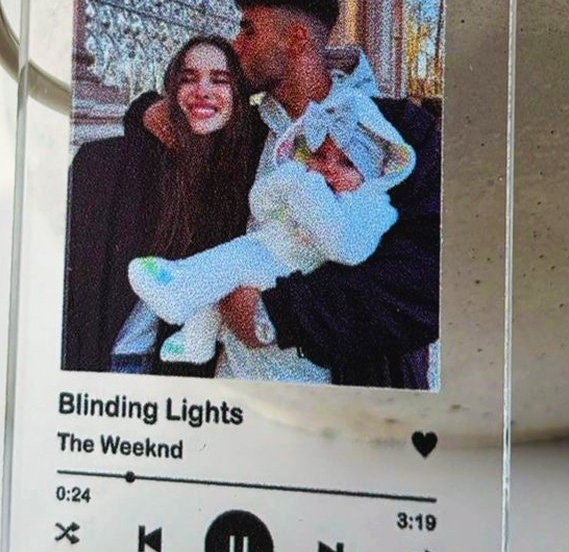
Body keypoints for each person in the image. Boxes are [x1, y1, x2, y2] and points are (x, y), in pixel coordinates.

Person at [211, 0, 442, 389]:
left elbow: (430, 281)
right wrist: (145, 112)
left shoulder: (400, 135)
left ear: (297, 38)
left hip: (345, 406)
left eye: (249, 30)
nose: (236, 45)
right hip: (232, 395)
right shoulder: (242, 133)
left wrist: (278, 315)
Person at [125, 87, 417, 366]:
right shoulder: (303, 182)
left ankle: (176, 289)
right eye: (320, 156)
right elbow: (262, 207)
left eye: (347, 164)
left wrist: (308, 190)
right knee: (225, 266)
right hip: (270, 249)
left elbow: (348, 248)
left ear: (374, 174)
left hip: (298, 274)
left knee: (231, 263)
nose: (329, 168)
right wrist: (288, 181)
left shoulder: (372, 207)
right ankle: (197, 340)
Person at [60, 36, 261, 374]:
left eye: (220, 80)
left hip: (183, 377)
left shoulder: (245, 178)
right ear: (171, 90)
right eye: (188, 78)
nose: (203, 90)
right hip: (112, 368)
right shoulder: (111, 165)